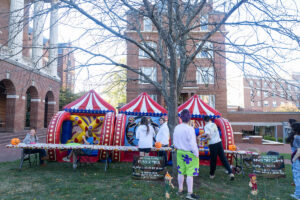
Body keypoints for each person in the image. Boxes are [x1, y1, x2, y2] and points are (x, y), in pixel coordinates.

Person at [174, 109, 199, 200]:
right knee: (190, 173)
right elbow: (193, 143)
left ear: (181, 117)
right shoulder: (190, 129)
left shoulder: (177, 127)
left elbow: (175, 142)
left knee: (181, 171)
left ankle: (180, 190)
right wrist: (196, 153)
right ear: (189, 118)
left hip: (179, 152)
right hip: (189, 154)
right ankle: (189, 193)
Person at [202, 116, 234, 180]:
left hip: (213, 144)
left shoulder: (206, 126)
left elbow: (209, 137)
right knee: (223, 158)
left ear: (204, 121)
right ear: (209, 119)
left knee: (213, 160)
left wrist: (204, 140)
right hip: (219, 142)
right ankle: (230, 173)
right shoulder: (214, 124)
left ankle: (212, 174)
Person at [290, 122, 300, 200]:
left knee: (297, 177)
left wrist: (294, 159)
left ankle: (297, 194)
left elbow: (299, 151)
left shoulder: (297, 138)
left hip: (298, 160)